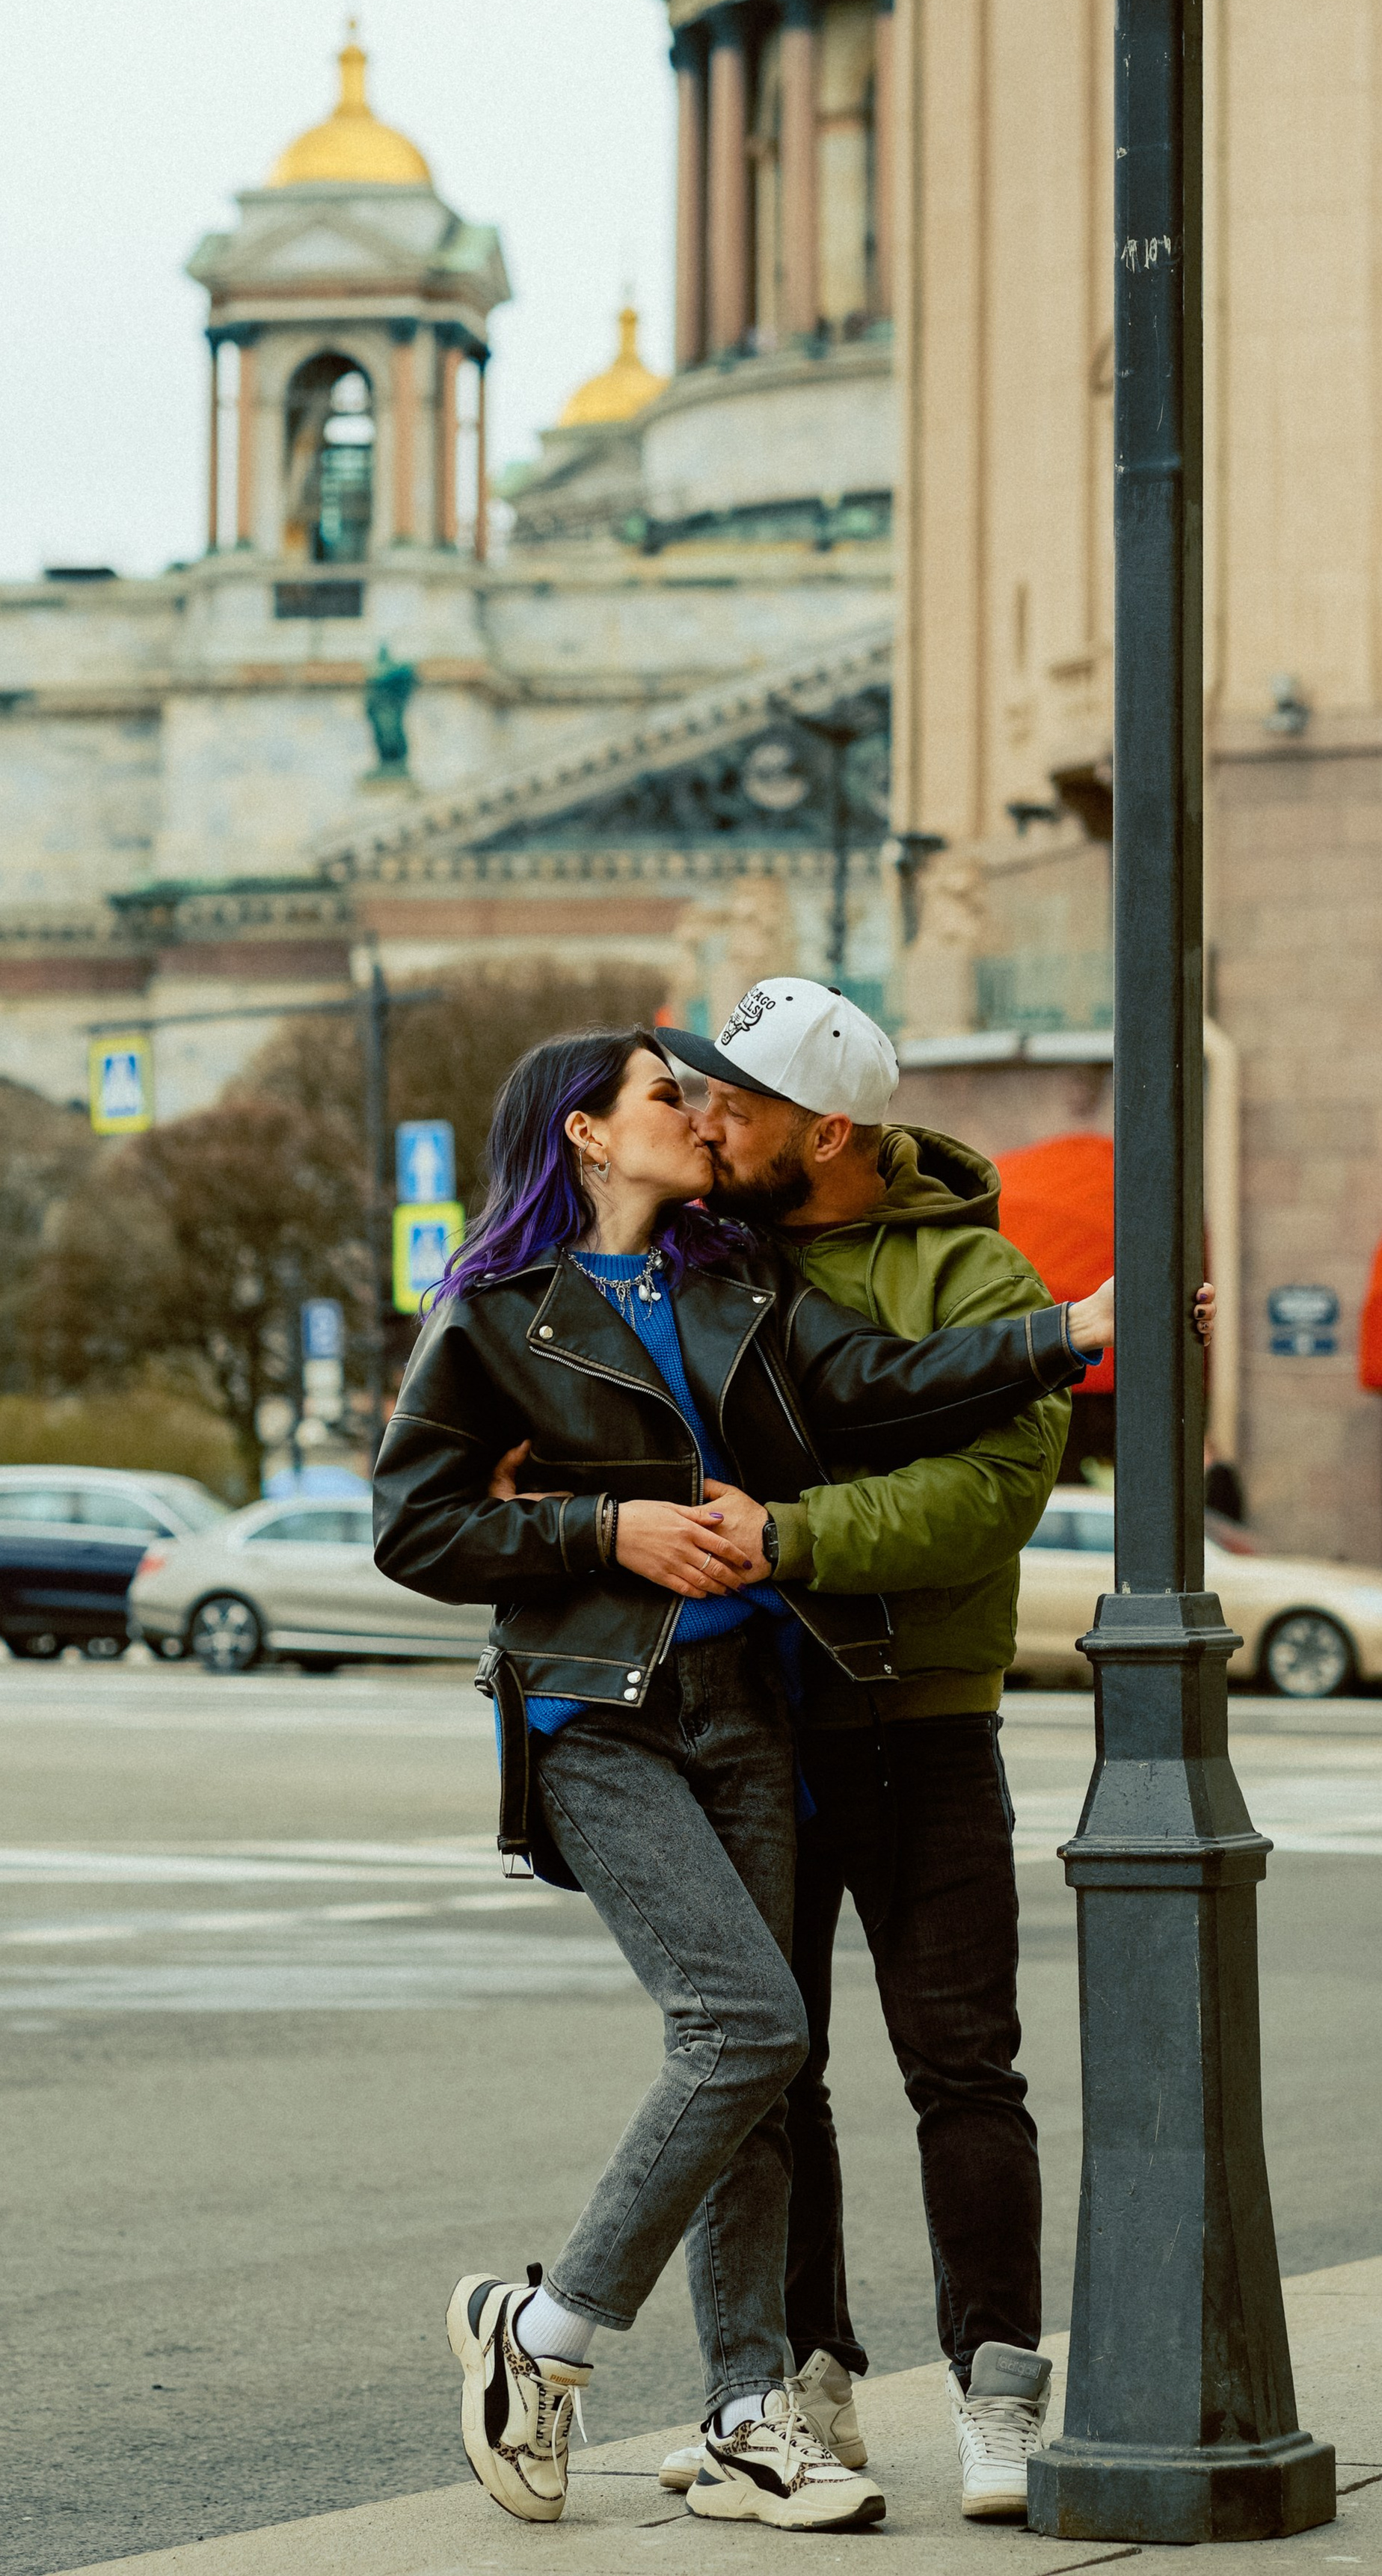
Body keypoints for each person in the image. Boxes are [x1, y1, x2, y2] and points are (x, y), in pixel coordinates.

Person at [372, 1024, 1117, 2533]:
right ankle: (545, 2331)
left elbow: (881, 1389)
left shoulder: (737, 1281)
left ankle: (740, 2414)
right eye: (668, 1094)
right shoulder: (499, 1311)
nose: (699, 1119)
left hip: (747, 1701)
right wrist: (603, 1533)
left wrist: (1065, 1330)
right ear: (584, 1133)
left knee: (762, 2075)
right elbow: (415, 1527)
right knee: (748, 2024)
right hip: (597, 1715)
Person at [652, 977, 1209, 2527]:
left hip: (916, 1726)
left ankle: (994, 2394)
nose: (711, 1125)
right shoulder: (705, 1250)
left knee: (960, 2069)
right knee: (776, 2073)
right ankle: (810, 2381)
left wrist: (790, 1533)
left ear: (825, 1129)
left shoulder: (972, 1270)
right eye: (704, 1098)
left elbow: (986, 1498)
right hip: (747, 1730)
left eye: (739, 1106)